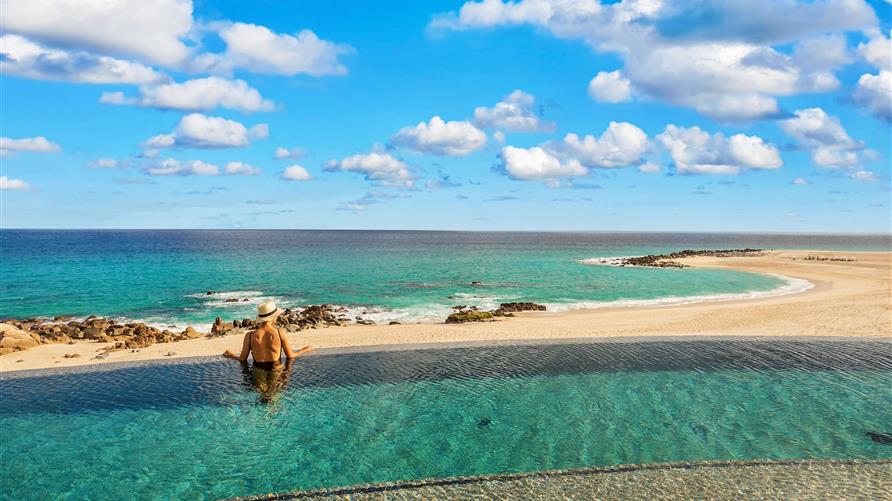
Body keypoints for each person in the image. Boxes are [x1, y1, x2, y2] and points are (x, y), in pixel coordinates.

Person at [223, 301, 312, 402]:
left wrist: (230, 355)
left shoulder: (250, 336)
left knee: (263, 394)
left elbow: (243, 358)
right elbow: (290, 356)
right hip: (276, 370)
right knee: (273, 395)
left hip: (258, 371)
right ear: (273, 317)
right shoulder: (279, 333)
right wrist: (305, 350)